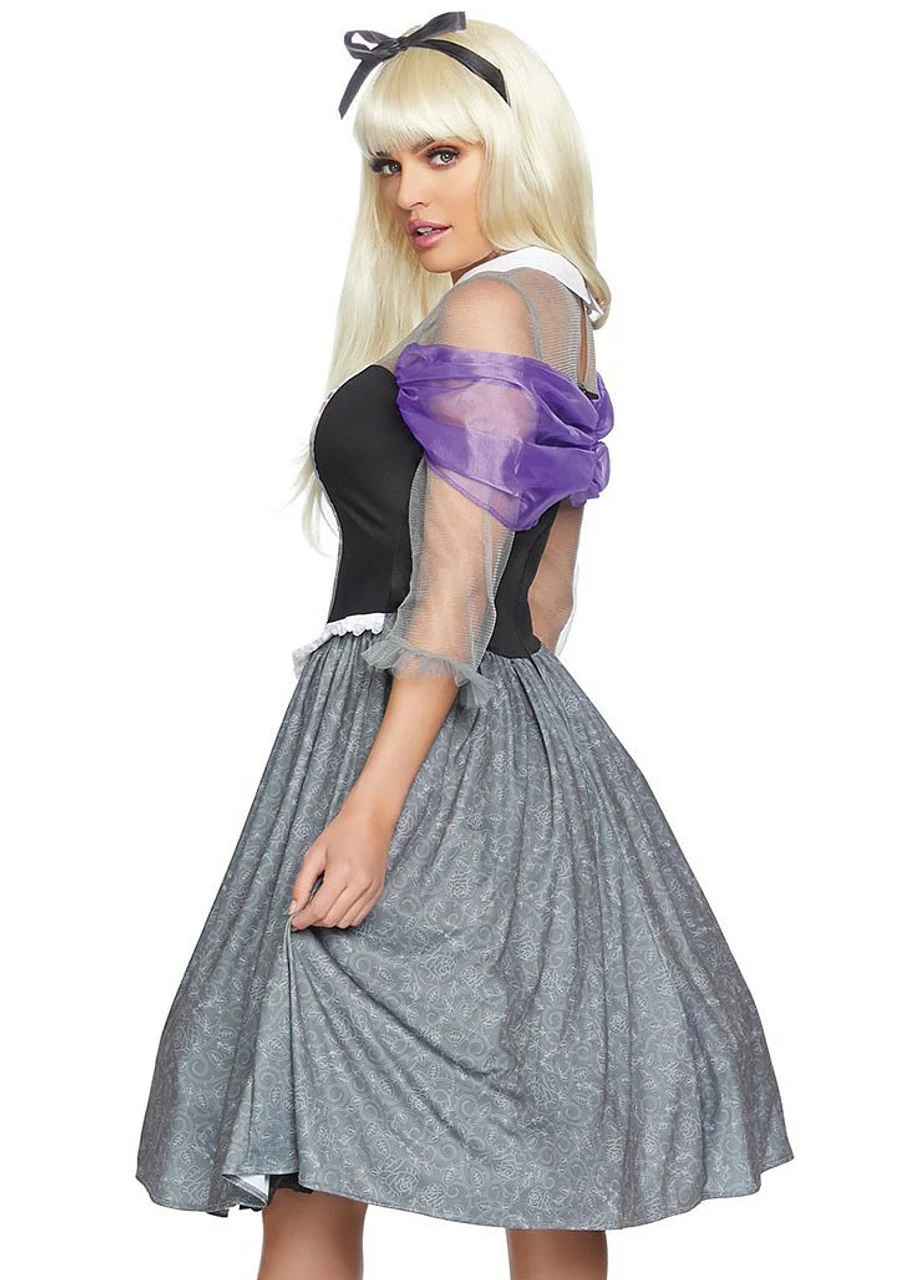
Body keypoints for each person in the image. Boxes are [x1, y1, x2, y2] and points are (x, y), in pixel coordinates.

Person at [135, 14, 794, 1279]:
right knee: (546, 1148)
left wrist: (372, 804)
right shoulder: (560, 307)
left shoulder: (490, 306)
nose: (407, 194)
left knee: (311, 1151)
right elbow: (544, 600)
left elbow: (450, 597)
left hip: (403, 734)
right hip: (521, 742)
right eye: (387, 164)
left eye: (443, 155)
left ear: (517, 148)